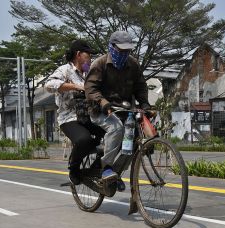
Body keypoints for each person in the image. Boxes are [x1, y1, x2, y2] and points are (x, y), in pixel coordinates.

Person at [85, 31, 151, 182]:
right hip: (100, 110)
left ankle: (116, 172)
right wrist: (103, 103)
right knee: (116, 128)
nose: (124, 53)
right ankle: (106, 168)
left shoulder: (133, 64)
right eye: (120, 50)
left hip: (124, 110)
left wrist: (145, 104)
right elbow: (90, 89)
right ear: (112, 47)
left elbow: (141, 86)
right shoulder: (100, 64)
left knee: (134, 141)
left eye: (127, 51)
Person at [45, 39, 103, 185]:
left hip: (89, 117)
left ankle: (98, 165)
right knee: (84, 140)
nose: (90, 58)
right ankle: (73, 168)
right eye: (88, 55)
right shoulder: (65, 70)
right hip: (69, 119)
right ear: (78, 54)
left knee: (113, 133)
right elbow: (49, 85)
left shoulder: (89, 73)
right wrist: (75, 86)